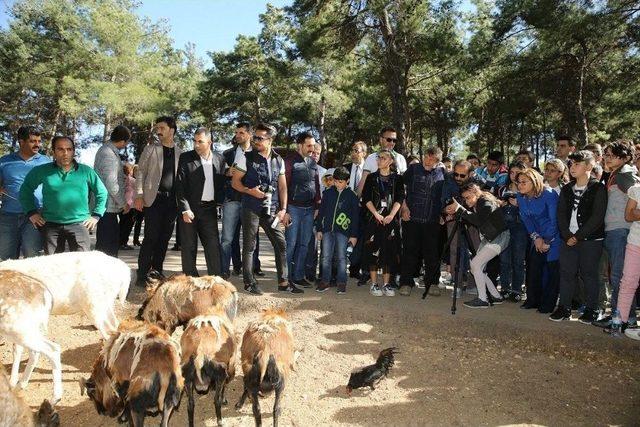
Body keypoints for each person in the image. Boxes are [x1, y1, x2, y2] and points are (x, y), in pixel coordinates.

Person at [232, 123, 296, 295]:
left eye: (260, 138)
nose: (256, 141)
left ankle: (283, 281)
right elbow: (235, 182)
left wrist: (283, 209)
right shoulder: (245, 157)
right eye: (255, 137)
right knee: (249, 245)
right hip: (250, 207)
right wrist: (249, 191)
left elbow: (283, 187)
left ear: (270, 140)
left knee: (281, 243)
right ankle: (249, 282)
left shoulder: (279, 160)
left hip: (271, 210)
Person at [19, 135, 107, 254]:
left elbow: (102, 193)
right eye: (60, 149)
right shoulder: (42, 171)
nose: (65, 153)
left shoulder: (86, 171)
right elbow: (25, 190)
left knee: (81, 265)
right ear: (54, 152)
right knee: (54, 266)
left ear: (73, 151)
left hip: (79, 224)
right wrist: (31, 213)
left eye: (69, 149)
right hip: (51, 226)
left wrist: (96, 215)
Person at [551, 151, 607, 323]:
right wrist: (567, 235)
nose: (572, 167)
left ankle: (592, 308)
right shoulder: (567, 189)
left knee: (589, 274)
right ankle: (564, 307)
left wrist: (578, 236)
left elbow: (597, 217)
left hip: (590, 240)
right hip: (568, 239)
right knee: (567, 273)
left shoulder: (598, 188)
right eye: (571, 164)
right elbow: (560, 214)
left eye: (577, 164)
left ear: (589, 166)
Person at [594, 140, 640, 327]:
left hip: (621, 231)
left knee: (620, 276)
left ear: (626, 158)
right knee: (615, 275)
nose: (607, 158)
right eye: (606, 155)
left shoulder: (626, 175)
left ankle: (624, 318)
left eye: (612, 156)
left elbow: (636, 194)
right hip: (612, 231)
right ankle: (618, 315)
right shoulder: (613, 175)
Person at [134, 116, 182, 285]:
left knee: (164, 238)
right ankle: (141, 275)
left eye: (162, 128)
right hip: (153, 200)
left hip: (172, 203)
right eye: (157, 128)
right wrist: (139, 196)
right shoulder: (150, 149)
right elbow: (140, 173)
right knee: (150, 238)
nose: (158, 131)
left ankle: (156, 271)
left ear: (172, 130)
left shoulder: (180, 152)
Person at [447, 183, 509, 308]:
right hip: (491, 238)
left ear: (475, 193)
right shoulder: (480, 201)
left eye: (468, 197)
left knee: (475, 265)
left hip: (498, 238)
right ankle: (496, 296)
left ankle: (483, 299)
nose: (466, 201)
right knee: (477, 268)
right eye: (464, 198)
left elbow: (479, 220)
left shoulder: (484, 201)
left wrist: (460, 209)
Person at [175, 127, 226, 276]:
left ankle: (216, 279)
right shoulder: (186, 158)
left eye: (200, 142)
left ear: (209, 142)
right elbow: (180, 185)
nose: (196, 145)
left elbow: (221, 182)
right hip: (190, 210)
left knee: (213, 246)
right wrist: (185, 208)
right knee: (189, 246)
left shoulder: (219, 159)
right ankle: (190, 279)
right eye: (194, 141)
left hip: (209, 210)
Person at [398, 146, 446, 297]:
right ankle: (406, 282)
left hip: (432, 220)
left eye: (432, 159)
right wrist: (403, 208)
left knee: (432, 253)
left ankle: (432, 283)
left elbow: (445, 196)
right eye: (426, 156)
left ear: (438, 161)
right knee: (409, 251)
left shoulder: (443, 174)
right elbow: (400, 189)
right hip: (411, 218)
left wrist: (442, 213)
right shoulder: (413, 169)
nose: (428, 160)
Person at [0, 126, 50, 259]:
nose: (37, 145)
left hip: (36, 215)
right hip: (8, 215)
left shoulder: (46, 162)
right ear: (21, 142)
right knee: (5, 258)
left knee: (32, 255)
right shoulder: (4, 161)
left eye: (39, 141)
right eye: (33, 141)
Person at [361, 149, 405, 297]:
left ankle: (386, 284)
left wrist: (392, 215)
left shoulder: (397, 178)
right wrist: (375, 214)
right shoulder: (372, 177)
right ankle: (374, 284)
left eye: (383, 158)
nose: (379, 160)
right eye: (379, 158)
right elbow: (366, 198)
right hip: (374, 219)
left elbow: (400, 198)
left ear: (390, 162)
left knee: (389, 251)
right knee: (373, 250)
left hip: (390, 220)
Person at [516, 168, 560, 313]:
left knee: (552, 271)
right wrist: (536, 237)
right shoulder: (521, 196)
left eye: (524, 182)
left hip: (554, 237)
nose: (520, 185)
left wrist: (547, 240)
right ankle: (532, 300)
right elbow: (525, 218)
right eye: (518, 182)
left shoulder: (548, 194)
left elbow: (555, 220)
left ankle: (547, 304)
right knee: (534, 269)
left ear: (534, 181)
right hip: (537, 237)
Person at [221, 123, 261, 278]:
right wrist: (226, 172)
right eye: (236, 132)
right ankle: (226, 269)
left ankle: (253, 268)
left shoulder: (258, 153)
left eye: (241, 132)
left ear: (249, 134)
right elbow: (219, 173)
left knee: (252, 237)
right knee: (228, 238)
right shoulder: (227, 154)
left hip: (251, 200)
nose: (238, 135)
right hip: (232, 199)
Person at [284, 131, 321, 289]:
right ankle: (285, 277)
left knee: (305, 244)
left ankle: (298, 276)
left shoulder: (312, 163)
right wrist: (283, 210)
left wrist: (317, 205)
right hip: (293, 208)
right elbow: (283, 186)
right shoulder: (289, 161)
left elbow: (317, 185)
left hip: (309, 209)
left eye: (313, 145)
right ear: (300, 145)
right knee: (291, 243)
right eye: (309, 145)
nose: (312, 149)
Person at [315, 167, 359, 294]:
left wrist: (354, 235)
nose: (338, 184)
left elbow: (356, 217)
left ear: (347, 181)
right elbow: (321, 212)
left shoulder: (352, 196)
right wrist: (319, 229)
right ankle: (325, 281)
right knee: (325, 257)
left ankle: (341, 282)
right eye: (336, 181)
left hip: (344, 232)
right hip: (327, 230)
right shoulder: (328, 193)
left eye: (341, 181)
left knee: (341, 257)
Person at [605, 182, 640, 339]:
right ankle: (619, 323)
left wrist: (637, 212)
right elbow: (629, 215)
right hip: (635, 242)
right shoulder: (636, 189)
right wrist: (635, 213)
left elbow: (635, 213)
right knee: (627, 282)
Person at [94, 124, 130, 257]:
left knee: (108, 245)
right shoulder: (108, 154)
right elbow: (111, 183)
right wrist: (123, 203)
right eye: (126, 143)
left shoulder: (106, 151)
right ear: (122, 141)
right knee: (107, 249)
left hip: (107, 207)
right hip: (107, 207)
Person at [497, 161, 528, 302]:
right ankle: (504, 288)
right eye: (512, 172)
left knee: (518, 260)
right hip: (504, 227)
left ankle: (516, 290)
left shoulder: (527, 190)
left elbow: (532, 210)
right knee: (504, 260)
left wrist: (519, 203)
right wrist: (500, 204)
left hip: (520, 228)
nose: (514, 176)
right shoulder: (502, 188)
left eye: (517, 173)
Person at [342, 141, 367, 281]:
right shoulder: (345, 169)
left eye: (356, 150)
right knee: (344, 238)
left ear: (364, 153)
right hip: (345, 210)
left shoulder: (369, 171)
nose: (353, 152)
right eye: (352, 150)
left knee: (361, 240)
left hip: (363, 210)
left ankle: (356, 268)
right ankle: (341, 267)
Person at [358, 127, 408, 196]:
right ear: (381, 139)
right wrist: (357, 199)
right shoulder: (371, 158)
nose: (392, 143)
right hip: (373, 202)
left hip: (395, 202)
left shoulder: (400, 158)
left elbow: (404, 184)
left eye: (394, 140)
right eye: (389, 139)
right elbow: (363, 181)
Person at [119, 163, 137, 250]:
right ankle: (123, 242)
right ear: (130, 170)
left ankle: (119, 242)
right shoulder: (132, 180)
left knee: (122, 224)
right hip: (131, 205)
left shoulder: (121, 180)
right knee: (128, 225)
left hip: (122, 204)